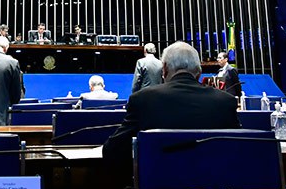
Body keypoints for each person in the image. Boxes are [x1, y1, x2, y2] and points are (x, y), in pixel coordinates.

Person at [103, 42, 240, 162]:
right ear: (199, 72)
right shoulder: (225, 102)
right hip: (214, 186)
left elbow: (112, 150)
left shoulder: (142, 100)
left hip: (156, 187)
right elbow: (241, 148)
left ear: (165, 69)